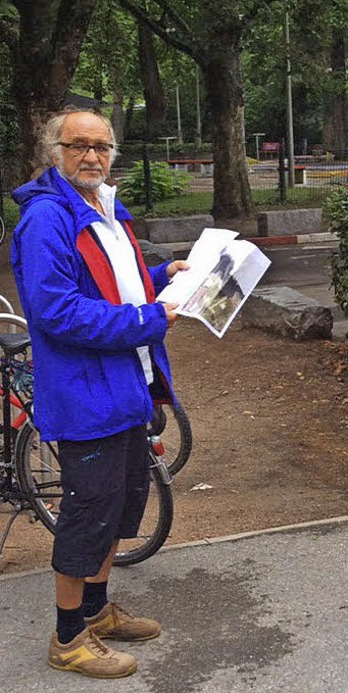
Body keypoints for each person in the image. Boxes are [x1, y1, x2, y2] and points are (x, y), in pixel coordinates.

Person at [10, 109, 188, 677]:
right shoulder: (46, 219)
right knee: (88, 514)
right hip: (86, 393)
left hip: (127, 385)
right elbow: (57, 311)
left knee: (121, 502)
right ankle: (67, 639)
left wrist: (162, 276)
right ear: (53, 151)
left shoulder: (103, 208)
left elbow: (114, 281)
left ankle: (95, 609)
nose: (92, 156)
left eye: (101, 146)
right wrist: (148, 319)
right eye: (78, 145)